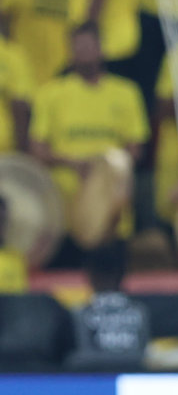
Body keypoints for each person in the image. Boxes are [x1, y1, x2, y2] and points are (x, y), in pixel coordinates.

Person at [30, 22, 148, 268]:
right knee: (65, 279)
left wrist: (104, 166)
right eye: (78, 47)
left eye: (89, 46)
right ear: (70, 52)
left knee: (109, 277)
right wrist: (72, 163)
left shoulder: (126, 92)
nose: (84, 52)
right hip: (62, 213)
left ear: (101, 49)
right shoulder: (50, 93)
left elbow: (136, 148)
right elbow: (37, 150)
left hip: (110, 213)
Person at [65, 240, 150, 371]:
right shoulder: (140, 311)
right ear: (123, 275)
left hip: (92, 379)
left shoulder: (80, 313)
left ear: (91, 276)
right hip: (132, 378)